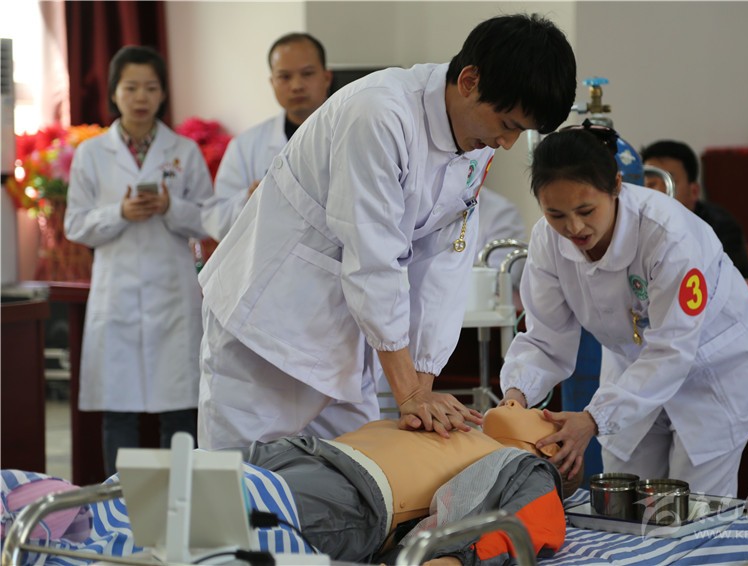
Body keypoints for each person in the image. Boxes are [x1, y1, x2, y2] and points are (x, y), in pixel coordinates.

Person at [197, 13, 578, 450]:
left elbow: (444, 263)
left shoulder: (476, 142)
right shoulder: (379, 113)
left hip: (343, 346)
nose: (506, 143)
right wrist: (410, 394)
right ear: (470, 81)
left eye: (520, 133)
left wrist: (422, 383)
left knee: (353, 477)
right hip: (267, 330)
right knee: (240, 480)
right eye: (508, 125)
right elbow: (374, 256)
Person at [499, 122, 748, 497]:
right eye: (556, 214)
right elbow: (545, 338)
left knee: (691, 505)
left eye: (586, 210)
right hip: (632, 366)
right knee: (623, 495)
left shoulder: (668, 235)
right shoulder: (547, 240)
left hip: (711, 368)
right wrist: (516, 396)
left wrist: (593, 418)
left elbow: (672, 350)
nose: (574, 227)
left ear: (617, 186)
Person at [64, 45, 213, 477]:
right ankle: (121, 506)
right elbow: (75, 224)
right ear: (114, 93)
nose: (141, 97)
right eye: (131, 87)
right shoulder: (93, 153)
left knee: (179, 411)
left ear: (163, 93)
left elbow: (209, 216)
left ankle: (179, 504)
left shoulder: (183, 150)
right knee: (119, 413)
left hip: (172, 296)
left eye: (150, 87)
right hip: (118, 297)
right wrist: (119, 213)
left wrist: (170, 207)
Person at [242, 400, 580, 566]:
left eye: (537, 413)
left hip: (351, 493)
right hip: (304, 453)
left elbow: (517, 529)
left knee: (227, 522)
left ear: (551, 448)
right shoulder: (464, 428)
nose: (515, 402)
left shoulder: (532, 471)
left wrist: (450, 562)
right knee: (212, 487)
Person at [201, 33, 332, 241]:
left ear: (326, 78)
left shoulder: (352, 134)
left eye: (307, 74)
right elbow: (216, 221)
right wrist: (250, 200)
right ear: (272, 82)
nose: (296, 85)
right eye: (285, 77)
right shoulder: (246, 145)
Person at [641, 140, 748, 278]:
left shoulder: (722, 229)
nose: (658, 192)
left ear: (694, 191)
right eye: (651, 184)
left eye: (669, 183)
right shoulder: (636, 225)